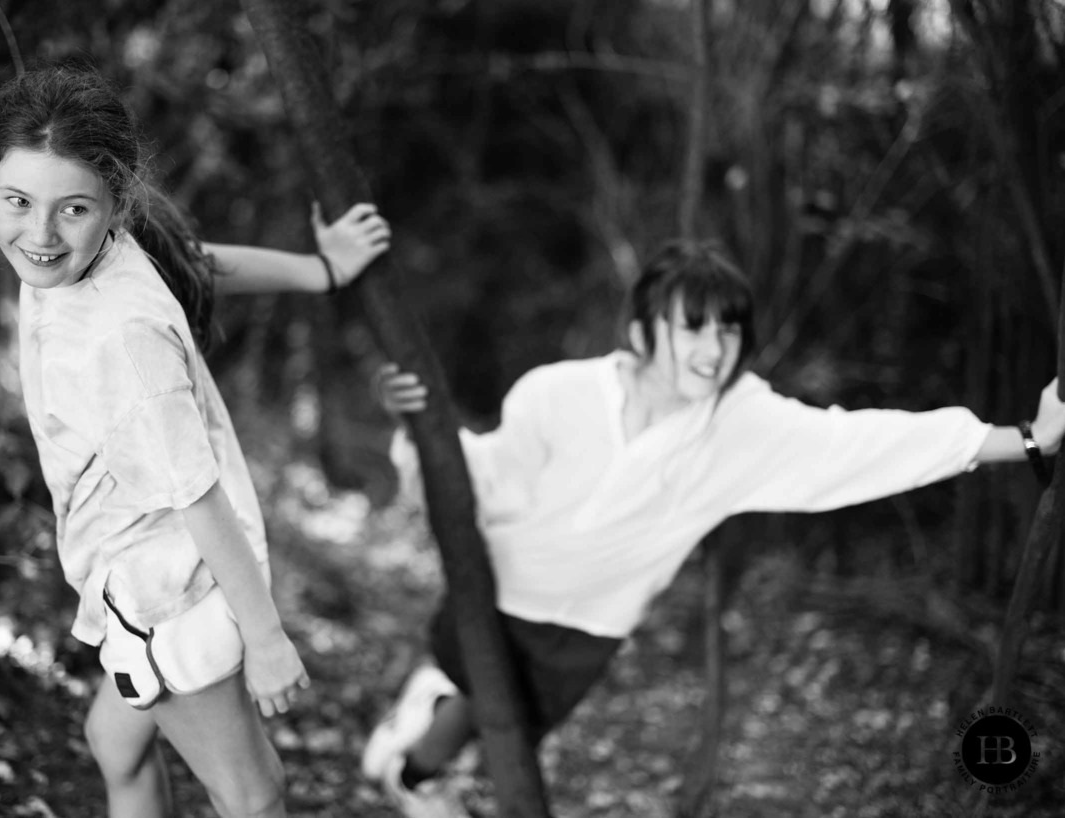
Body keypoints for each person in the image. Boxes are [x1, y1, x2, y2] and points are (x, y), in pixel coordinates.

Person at [361, 239, 1065, 817]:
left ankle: (424, 736)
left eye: (728, 327)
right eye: (692, 325)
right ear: (640, 333)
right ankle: (411, 773)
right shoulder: (558, 393)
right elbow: (484, 477)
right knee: (480, 701)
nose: (714, 346)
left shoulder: (741, 422)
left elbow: (859, 446)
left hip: (590, 623)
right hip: (501, 586)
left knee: (505, 722)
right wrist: (415, 429)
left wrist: (1026, 440)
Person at [0, 66, 390, 818]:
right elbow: (199, 260)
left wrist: (267, 638)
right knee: (112, 741)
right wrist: (323, 270)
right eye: (18, 202)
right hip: (143, 562)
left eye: (73, 209)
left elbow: (194, 495)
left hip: (167, 587)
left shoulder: (119, 338)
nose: (40, 235)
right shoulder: (100, 250)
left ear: (114, 203)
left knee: (251, 798)